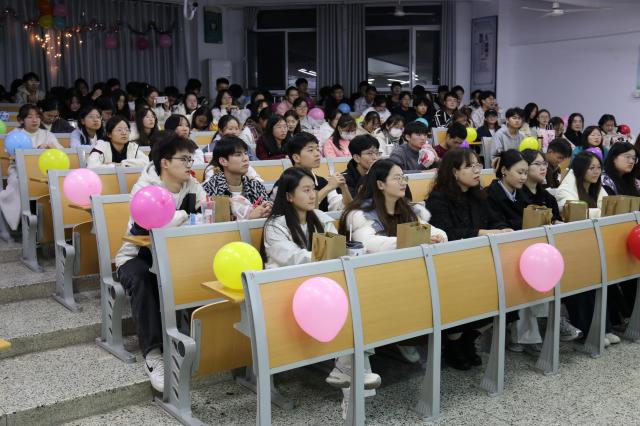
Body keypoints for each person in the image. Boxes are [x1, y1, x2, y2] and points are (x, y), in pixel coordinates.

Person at [115, 133, 206, 392]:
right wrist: (185, 215)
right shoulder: (145, 189)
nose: (190, 164)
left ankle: (201, 342)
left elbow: (206, 212)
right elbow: (154, 225)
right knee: (144, 279)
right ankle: (154, 356)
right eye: (184, 159)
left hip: (177, 253)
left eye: (191, 159)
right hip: (137, 256)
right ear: (165, 162)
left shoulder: (192, 185)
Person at [338, 158, 447, 364]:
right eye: (397, 178)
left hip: (405, 273)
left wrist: (438, 236)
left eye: (404, 177)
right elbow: (368, 244)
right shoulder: (359, 214)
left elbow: (429, 230)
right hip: (371, 278)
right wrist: (410, 240)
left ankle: (412, 336)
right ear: (380, 184)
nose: (403, 182)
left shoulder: (406, 209)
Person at [424, 148, 513, 369]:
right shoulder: (438, 199)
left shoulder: (478, 195)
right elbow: (447, 233)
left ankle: (468, 338)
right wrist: (484, 233)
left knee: (509, 298)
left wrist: (503, 229)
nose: (476, 170)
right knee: (465, 295)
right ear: (454, 172)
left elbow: (495, 220)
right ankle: (454, 342)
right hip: (453, 264)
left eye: (477, 165)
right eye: (470, 166)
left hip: (482, 261)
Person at [274, 132, 351, 212]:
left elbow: (345, 208)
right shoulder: (283, 183)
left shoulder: (323, 182)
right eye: (310, 150)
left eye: (317, 149)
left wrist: (344, 188)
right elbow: (297, 212)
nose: (317, 154)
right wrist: (328, 188)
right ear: (296, 158)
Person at [202, 137, 272, 220]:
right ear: (223, 161)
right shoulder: (211, 188)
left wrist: (268, 209)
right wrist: (249, 217)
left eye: (245, 153)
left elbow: (268, 209)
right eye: (238, 155)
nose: (246, 158)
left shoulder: (255, 185)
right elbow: (214, 222)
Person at [484, 150, 528, 230]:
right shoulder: (488, 195)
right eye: (520, 172)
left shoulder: (523, 193)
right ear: (504, 170)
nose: (524, 177)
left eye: (526, 173)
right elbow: (496, 224)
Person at [555, 151, 606, 218]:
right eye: (592, 168)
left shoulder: (596, 187)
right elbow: (574, 213)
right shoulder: (565, 190)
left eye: (599, 167)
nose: (596, 172)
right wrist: (601, 212)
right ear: (580, 169)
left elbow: (608, 207)